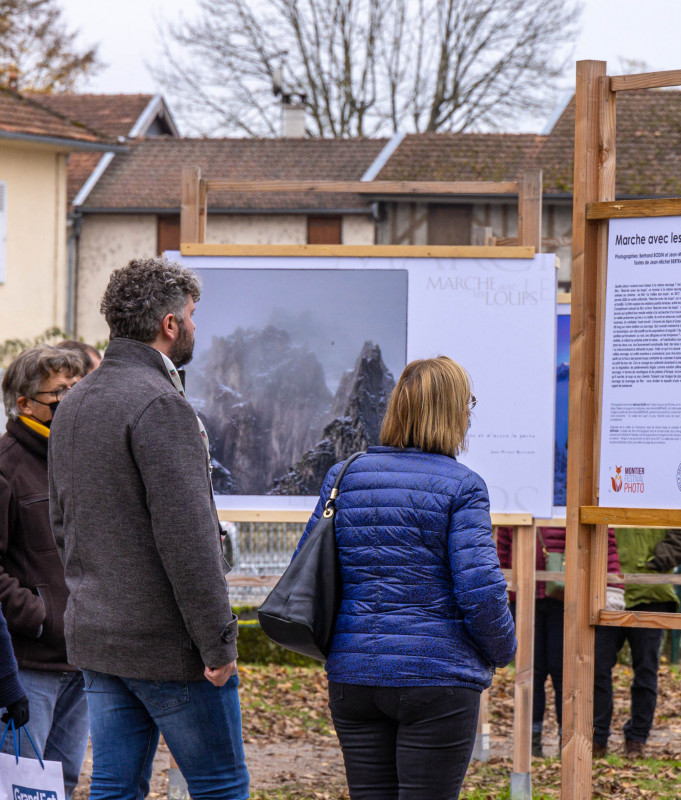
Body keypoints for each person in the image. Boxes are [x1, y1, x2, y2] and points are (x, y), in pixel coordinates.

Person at [48, 257, 248, 799]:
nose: (193, 327)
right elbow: (189, 542)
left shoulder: (73, 404)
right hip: (171, 650)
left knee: (114, 789)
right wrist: (218, 644)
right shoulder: (161, 405)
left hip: (99, 639)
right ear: (169, 324)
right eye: (190, 315)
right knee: (222, 787)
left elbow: (62, 526)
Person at [300, 356, 516, 800]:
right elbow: (481, 589)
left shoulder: (343, 476)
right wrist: (503, 649)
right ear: (454, 413)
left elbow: (312, 564)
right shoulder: (464, 486)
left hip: (355, 675)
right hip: (436, 677)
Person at [0, 346, 90, 793]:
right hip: (29, 664)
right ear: (24, 403)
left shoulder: (79, 460)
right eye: (61, 392)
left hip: (82, 660)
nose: (72, 399)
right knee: (22, 788)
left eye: (77, 388)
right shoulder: (6, 467)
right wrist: (40, 617)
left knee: (64, 782)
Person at [496, 524, 621, 758]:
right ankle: (530, 743)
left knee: (565, 672)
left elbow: (605, 541)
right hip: (524, 595)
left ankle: (568, 742)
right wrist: (501, 585)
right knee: (529, 672)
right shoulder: (520, 494)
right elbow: (503, 546)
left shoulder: (574, 490)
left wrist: (613, 584)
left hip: (566, 597)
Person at [593, 526, 681, 758]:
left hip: (651, 592)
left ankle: (637, 739)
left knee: (646, 671)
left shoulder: (665, 491)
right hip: (606, 590)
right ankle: (597, 737)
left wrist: (659, 560)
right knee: (596, 668)